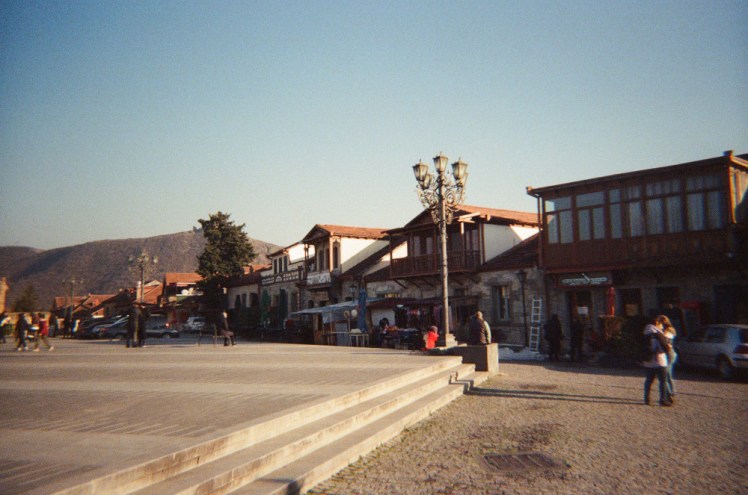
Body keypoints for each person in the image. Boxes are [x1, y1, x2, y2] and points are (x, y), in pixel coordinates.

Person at [642, 315, 673, 407]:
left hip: (647, 361)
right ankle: (663, 400)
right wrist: (669, 347)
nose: (662, 327)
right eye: (661, 325)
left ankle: (646, 399)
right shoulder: (658, 334)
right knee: (662, 381)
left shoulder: (645, 333)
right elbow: (665, 348)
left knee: (648, 381)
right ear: (657, 323)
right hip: (659, 361)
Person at [662, 320, 677, 402]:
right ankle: (672, 392)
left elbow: (666, 343)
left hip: (668, 355)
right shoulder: (672, 330)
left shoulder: (667, 332)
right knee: (669, 375)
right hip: (672, 354)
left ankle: (670, 394)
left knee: (665, 376)